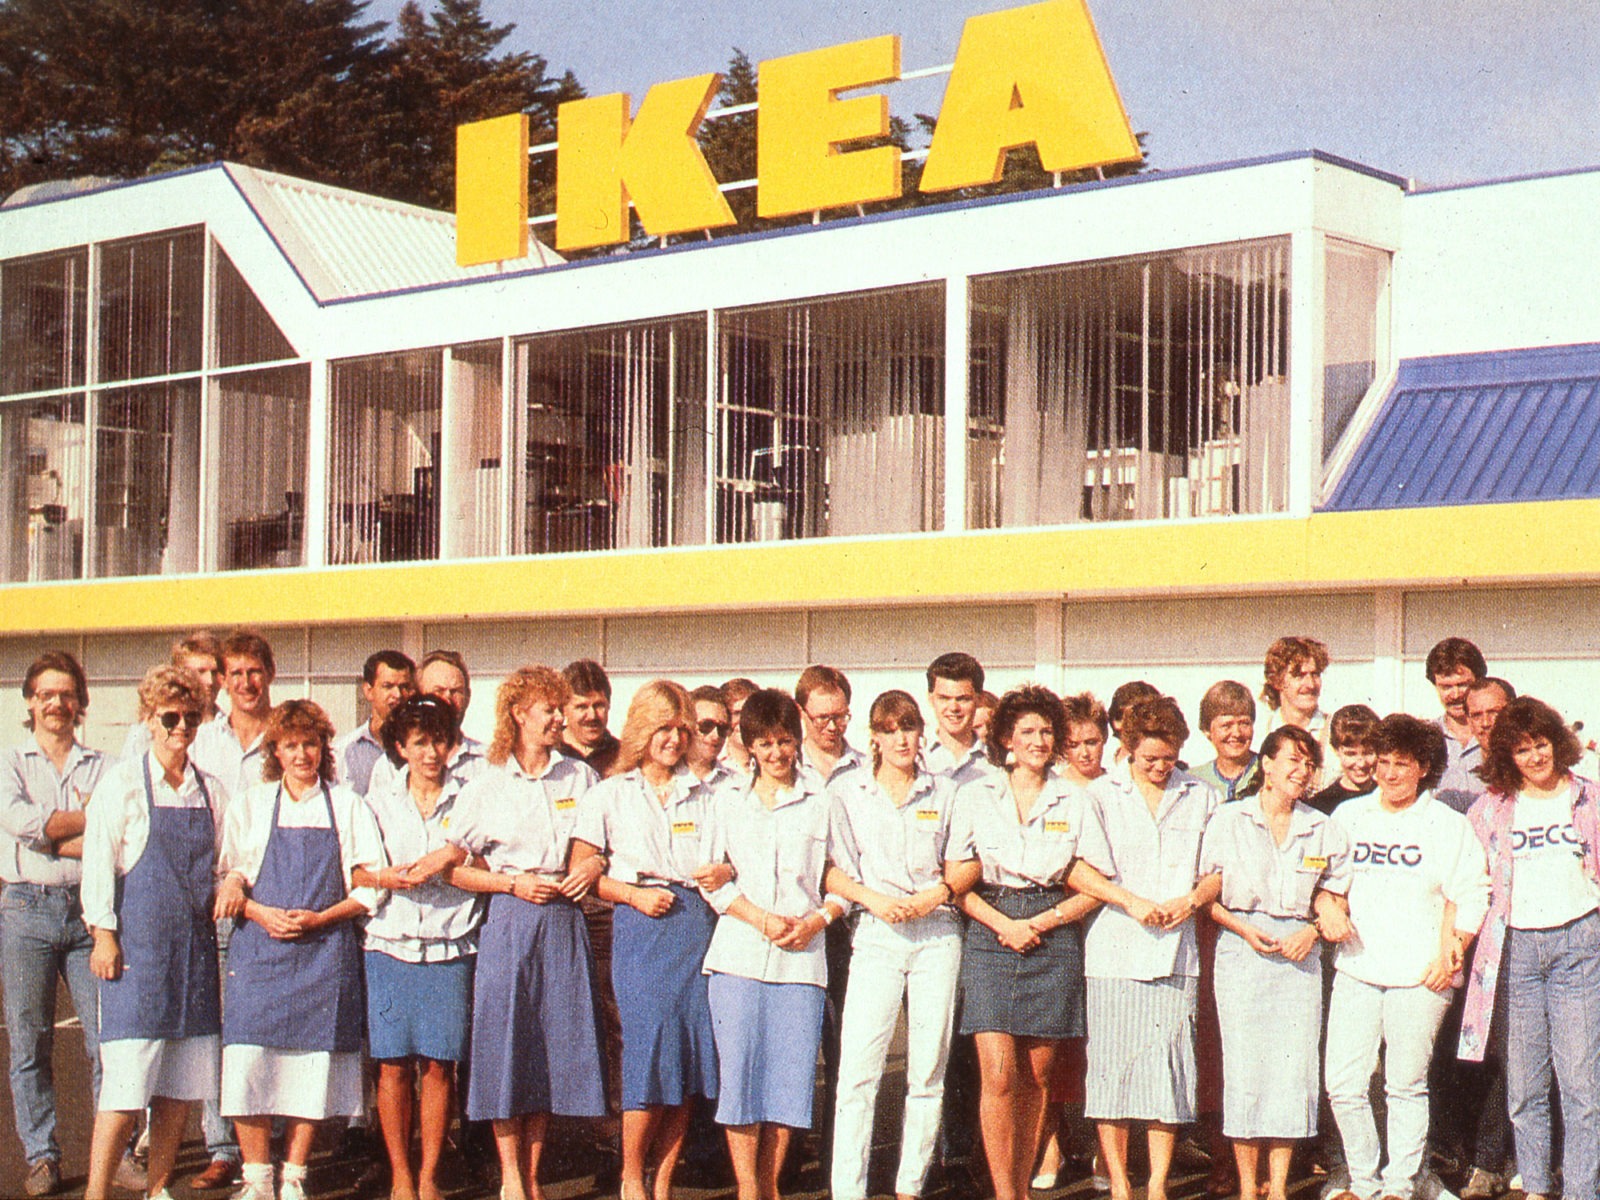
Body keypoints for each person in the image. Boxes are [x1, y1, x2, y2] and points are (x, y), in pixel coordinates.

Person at [403, 665, 607, 1200]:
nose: (560, 718)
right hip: (510, 921)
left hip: (564, 921)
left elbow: (597, 847)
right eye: (551, 710)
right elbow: (457, 868)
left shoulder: (579, 777)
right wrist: (511, 885)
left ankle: (533, 1177)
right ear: (519, 713)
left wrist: (589, 866)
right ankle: (510, 1179)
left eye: (562, 709)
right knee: (505, 1048)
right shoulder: (486, 781)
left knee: (547, 1053)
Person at [215, 700, 384, 1200]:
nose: (302, 754)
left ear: (323, 748)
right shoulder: (252, 802)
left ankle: (293, 1177)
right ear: (275, 750)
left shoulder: (348, 805)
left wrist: (320, 918)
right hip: (260, 954)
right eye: (291, 745)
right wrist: (259, 912)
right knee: (249, 1062)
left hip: (323, 954)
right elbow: (234, 877)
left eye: (310, 744)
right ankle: (257, 1180)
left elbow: (366, 887)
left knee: (310, 1072)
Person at [1318, 713, 1489, 1200]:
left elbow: (1471, 893)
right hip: (1357, 969)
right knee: (1344, 1084)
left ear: (1424, 767)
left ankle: (1400, 1185)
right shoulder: (1349, 817)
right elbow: (1327, 885)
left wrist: (1450, 954)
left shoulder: (1446, 824)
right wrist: (1328, 907)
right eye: (1384, 762)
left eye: (1402, 763)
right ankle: (1362, 1180)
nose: (1390, 772)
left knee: (1404, 1085)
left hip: (1420, 976)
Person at [572, 681, 724, 1200]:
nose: (674, 739)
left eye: (682, 729)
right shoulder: (610, 793)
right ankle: (631, 1175)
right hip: (642, 929)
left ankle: (662, 1181)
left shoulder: (709, 792)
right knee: (646, 1054)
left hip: (695, 927)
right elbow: (581, 875)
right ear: (642, 730)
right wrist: (632, 896)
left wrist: (722, 868)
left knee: (684, 1057)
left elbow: (732, 859)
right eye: (663, 728)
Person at [945, 685, 1096, 1200]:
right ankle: (1004, 1191)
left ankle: (1024, 1188)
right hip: (991, 929)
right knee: (998, 1074)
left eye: (1046, 731)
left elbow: (1093, 883)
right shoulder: (974, 795)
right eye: (1027, 731)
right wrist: (1003, 924)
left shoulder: (1075, 798)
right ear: (1006, 737)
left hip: (1052, 935)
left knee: (1037, 1075)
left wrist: (1047, 921)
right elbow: (956, 882)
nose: (1038, 740)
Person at [82, 666, 226, 1200]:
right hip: (136, 955)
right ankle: (96, 1191)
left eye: (192, 717)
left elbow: (225, 864)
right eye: (170, 717)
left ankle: (158, 1189)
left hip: (192, 956)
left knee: (179, 1090)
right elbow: (98, 864)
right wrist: (103, 933)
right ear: (148, 720)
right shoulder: (121, 785)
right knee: (125, 1087)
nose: (181, 727)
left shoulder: (211, 790)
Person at [1071, 696, 1220, 1200]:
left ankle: (1156, 1183)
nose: (1159, 768)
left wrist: (1192, 900)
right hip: (1114, 952)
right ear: (1127, 749)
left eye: (1168, 758)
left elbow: (1216, 870)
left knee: (1169, 1074)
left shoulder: (1201, 795)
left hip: (1177, 954)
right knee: (1112, 1073)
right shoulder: (1100, 795)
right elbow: (1079, 868)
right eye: (1147, 758)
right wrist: (1129, 901)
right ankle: (1118, 1181)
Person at [700, 688, 845, 1200]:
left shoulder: (822, 800)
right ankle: (747, 1189)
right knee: (740, 1079)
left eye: (785, 741)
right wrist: (760, 919)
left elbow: (841, 879)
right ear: (750, 746)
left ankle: (771, 1185)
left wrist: (817, 921)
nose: (777, 753)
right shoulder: (727, 800)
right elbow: (711, 878)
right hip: (738, 955)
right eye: (764, 743)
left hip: (803, 962)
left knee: (789, 1083)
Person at [1198, 726, 1350, 1200]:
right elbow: (1210, 896)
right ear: (1266, 764)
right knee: (1244, 1069)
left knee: (1291, 1070)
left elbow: (1336, 895)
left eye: (1309, 764)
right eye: (1292, 761)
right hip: (1242, 947)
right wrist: (1245, 930)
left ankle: (1279, 1186)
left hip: (1300, 952)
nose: (1301, 772)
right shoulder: (1228, 820)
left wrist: (1311, 932)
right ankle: (1248, 1187)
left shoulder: (1323, 827)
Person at [1459, 697, 1600, 1200]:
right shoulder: (1492, 807)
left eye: (1541, 744)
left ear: (1557, 744)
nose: (1535, 756)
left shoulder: (1589, 797)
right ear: (1508, 756)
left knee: (1582, 1086)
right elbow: (1466, 879)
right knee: (1524, 1087)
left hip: (1579, 944)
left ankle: (1584, 1190)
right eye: (1522, 749)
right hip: (1515, 951)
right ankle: (1537, 1188)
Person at [826, 691, 963, 1200]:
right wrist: (876, 902)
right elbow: (833, 871)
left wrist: (934, 897)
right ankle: (848, 1189)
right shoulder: (846, 791)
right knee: (859, 1069)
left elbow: (961, 869)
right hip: (877, 934)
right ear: (875, 737)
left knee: (927, 1069)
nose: (902, 738)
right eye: (891, 729)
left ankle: (910, 1185)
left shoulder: (945, 792)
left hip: (936, 935)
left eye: (909, 728)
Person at [0, 652, 119, 1197]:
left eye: (66, 693)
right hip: (25, 909)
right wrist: (87, 822)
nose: (57, 703)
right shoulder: (10, 761)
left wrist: (53, 833)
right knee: (30, 1044)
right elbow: (24, 824)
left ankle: (109, 1155)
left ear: (80, 701)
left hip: (88, 913)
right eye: (46, 693)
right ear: (30, 701)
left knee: (106, 1043)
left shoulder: (103, 765)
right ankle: (43, 1155)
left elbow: (114, 835)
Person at [358, 695, 484, 1200]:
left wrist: (449, 855)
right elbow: (360, 871)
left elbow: (482, 852)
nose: (431, 752)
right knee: (392, 1067)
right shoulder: (377, 800)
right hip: (389, 946)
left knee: (438, 1066)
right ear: (400, 748)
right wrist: (387, 876)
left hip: (451, 947)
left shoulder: (472, 795)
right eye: (419, 742)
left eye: (439, 740)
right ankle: (401, 1176)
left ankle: (430, 1175)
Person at [187, 628, 276, 1190]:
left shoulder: (287, 732)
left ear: (269, 673)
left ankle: (276, 1153)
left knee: (273, 1029)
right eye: (234, 673)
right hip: (219, 902)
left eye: (254, 671)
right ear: (222, 679)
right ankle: (222, 1147)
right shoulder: (199, 738)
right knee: (219, 1028)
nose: (245, 683)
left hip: (276, 898)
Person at [1033, 692, 1109, 1191]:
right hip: (1059, 931)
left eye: (1094, 741)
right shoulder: (1051, 791)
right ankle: (1052, 1150)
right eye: (1075, 743)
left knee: (1103, 1048)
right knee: (1054, 1053)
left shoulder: (1117, 789)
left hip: (1106, 931)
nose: (1085, 752)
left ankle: (1106, 1154)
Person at [368, 650, 486, 797]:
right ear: (418, 694)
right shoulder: (389, 766)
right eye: (439, 690)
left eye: (456, 691)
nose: (447, 699)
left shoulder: (488, 762)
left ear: (468, 698)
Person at [120, 632, 225, 762]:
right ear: (180, 675)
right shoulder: (147, 729)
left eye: (214, 673)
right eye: (201, 672)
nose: (210, 681)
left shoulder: (228, 729)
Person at [333, 650, 416, 796]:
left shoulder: (424, 748)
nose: (397, 695)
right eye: (388, 686)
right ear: (368, 690)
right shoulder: (344, 752)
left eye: (404, 687)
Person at [1425, 637, 1489, 815]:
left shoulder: (1499, 735)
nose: (1455, 694)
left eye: (1463, 685)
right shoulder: (1425, 738)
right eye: (1446, 687)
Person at [923, 653, 990, 786]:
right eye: (944, 698)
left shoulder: (996, 762)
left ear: (979, 699)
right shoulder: (917, 760)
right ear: (930, 699)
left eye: (963, 699)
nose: (953, 707)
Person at [1190, 681, 1259, 802]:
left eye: (1244, 723)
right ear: (1207, 730)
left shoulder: (1270, 772)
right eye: (1226, 725)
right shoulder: (1193, 780)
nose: (1237, 733)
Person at [1309, 705, 1381, 815]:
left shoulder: (1387, 796)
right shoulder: (1320, 805)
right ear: (1336, 750)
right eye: (1351, 754)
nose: (1361, 763)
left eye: (1368, 753)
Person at [1259, 636, 1331, 739]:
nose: (1310, 684)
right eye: (1299, 675)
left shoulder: (1336, 731)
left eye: (1315, 674)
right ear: (1277, 680)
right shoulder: (1259, 734)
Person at [564, 659, 622, 776]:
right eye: (582, 707)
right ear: (563, 708)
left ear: (609, 705)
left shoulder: (624, 757)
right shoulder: (548, 754)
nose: (592, 716)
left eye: (599, 705)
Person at [685, 685, 735, 787]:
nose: (715, 736)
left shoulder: (739, 785)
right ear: (688, 725)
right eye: (707, 725)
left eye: (722, 728)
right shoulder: (665, 780)